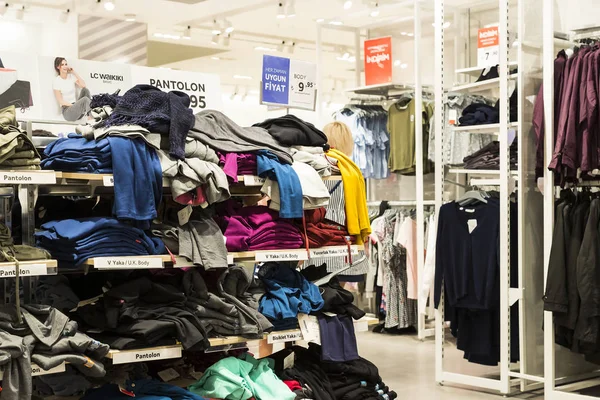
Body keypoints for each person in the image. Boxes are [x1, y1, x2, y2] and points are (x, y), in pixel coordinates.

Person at [312, 121, 369, 281]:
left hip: (317, 233)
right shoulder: (353, 171)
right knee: (340, 296)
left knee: (314, 289)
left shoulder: (313, 167)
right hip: (345, 234)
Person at [53, 57, 91, 121]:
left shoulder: (70, 77)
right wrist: (74, 105)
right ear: (58, 67)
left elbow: (83, 85)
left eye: (66, 64)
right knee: (85, 100)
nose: (65, 66)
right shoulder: (57, 81)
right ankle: (91, 117)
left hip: (75, 109)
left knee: (85, 90)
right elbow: (61, 101)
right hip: (67, 112)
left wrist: (74, 72)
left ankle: (86, 113)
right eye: (62, 65)